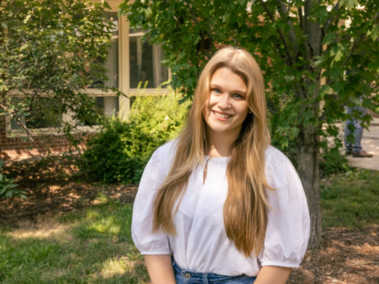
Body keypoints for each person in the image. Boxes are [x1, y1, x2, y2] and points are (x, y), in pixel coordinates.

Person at [132, 46, 310, 284]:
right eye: (216, 90)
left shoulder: (271, 167)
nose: (223, 103)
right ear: (202, 93)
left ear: (251, 105)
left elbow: (279, 261)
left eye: (237, 95)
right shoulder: (166, 160)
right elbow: (153, 243)